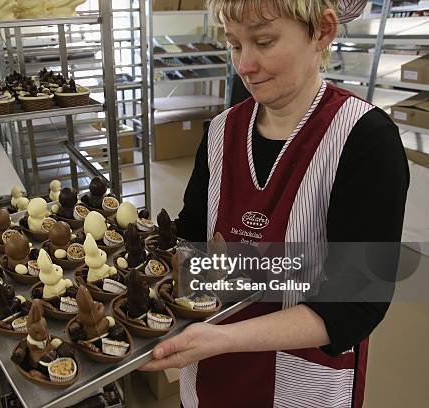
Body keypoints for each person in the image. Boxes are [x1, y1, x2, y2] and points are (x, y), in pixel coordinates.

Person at [139, 1, 409, 407]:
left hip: (301, 383)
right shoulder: (220, 132)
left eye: (264, 41)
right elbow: (193, 238)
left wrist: (223, 337)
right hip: (209, 372)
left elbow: (356, 302)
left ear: (321, 31)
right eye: (234, 45)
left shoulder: (363, 141)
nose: (244, 65)